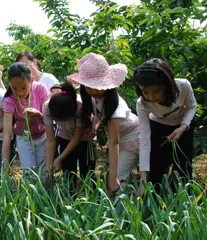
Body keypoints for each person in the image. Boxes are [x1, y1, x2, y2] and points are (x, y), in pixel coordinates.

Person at [70, 53, 140, 194]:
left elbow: (114, 142)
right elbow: (97, 114)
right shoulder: (94, 98)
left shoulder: (115, 108)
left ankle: (123, 212)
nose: (93, 91)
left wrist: (113, 179)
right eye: (88, 87)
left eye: (97, 87)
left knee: (118, 179)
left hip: (133, 139)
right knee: (117, 177)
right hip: (122, 137)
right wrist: (94, 128)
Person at [133, 58, 196, 193]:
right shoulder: (142, 104)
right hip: (157, 126)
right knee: (156, 169)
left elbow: (191, 107)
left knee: (183, 168)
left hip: (182, 126)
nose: (151, 97)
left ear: (167, 85)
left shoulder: (183, 86)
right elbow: (144, 139)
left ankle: (182, 204)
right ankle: (156, 206)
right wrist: (143, 178)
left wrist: (183, 127)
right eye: (145, 92)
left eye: (156, 91)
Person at [2, 62, 49, 178]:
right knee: (29, 174)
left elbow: (48, 122)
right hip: (24, 138)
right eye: (14, 88)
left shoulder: (40, 89)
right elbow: (7, 135)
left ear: (32, 80)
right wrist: (5, 167)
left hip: (42, 136)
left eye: (24, 88)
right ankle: (31, 196)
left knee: (43, 173)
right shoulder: (9, 100)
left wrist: (38, 115)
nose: (19, 93)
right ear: (9, 84)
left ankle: (44, 195)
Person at [43, 82, 96, 184]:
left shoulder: (80, 105)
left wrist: (59, 158)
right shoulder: (47, 108)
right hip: (64, 138)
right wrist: (48, 170)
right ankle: (71, 197)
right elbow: (50, 140)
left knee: (88, 174)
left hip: (85, 139)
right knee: (68, 175)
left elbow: (77, 137)